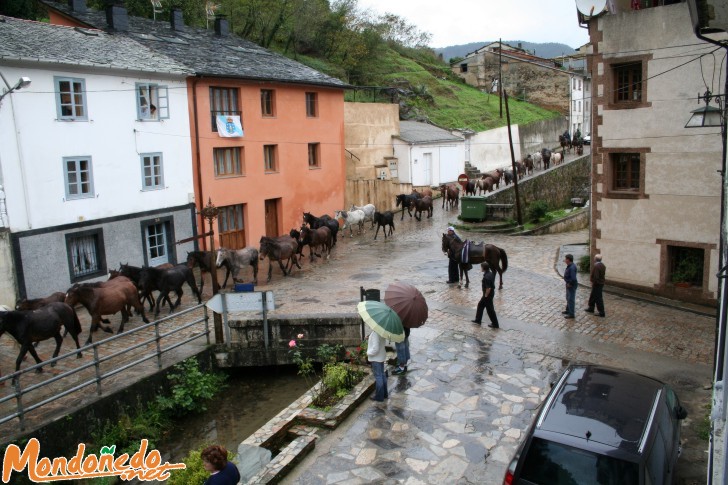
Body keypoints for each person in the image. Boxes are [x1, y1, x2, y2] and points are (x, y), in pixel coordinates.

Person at [472, 262, 499, 328]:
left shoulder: (486, 277)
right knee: (480, 305)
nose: (480, 268)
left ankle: (495, 324)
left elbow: (488, 288)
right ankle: (478, 320)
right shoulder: (490, 274)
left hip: (487, 295)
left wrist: (486, 295)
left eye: (481, 267)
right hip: (489, 294)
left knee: (490, 310)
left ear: (483, 268)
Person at [367, 329, 388, 401]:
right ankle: (384, 394)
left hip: (376, 358)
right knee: (382, 375)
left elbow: (375, 349)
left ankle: (379, 396)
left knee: (378, 377)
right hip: (381, 356)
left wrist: (368, 353)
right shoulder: (382, 331)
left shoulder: (375, 333)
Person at [562, 254, 578, 319]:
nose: (565, 260)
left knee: (571, 299)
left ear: (568, 260)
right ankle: (568, 310)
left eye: (566, 259)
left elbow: (573, 278)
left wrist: (570, 284)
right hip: (569, 284)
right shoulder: (570, 266)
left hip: (571, 285)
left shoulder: (572, 267)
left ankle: (571, 314)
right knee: (568, 297)